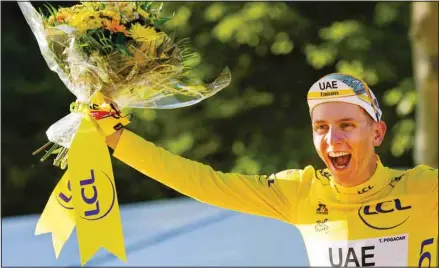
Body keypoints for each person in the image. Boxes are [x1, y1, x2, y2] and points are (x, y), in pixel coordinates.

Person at [101, 73, 438, 267]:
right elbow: (203, 183)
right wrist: (115, 137)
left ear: (377, 133)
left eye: (347, 125)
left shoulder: (423, 188)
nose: (333, 138)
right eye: (321, 127)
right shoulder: (301, 191)